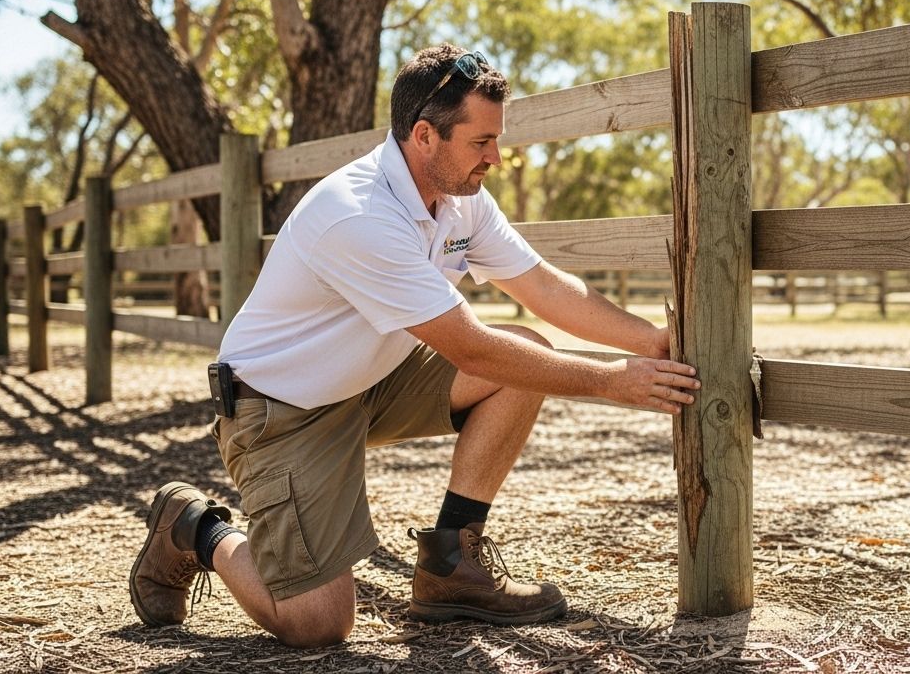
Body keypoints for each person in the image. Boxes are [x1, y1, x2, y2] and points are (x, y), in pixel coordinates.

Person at [127, 44, 700, 648]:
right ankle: (195, 529)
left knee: (524, 352)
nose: (496, 158)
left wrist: (659, 342)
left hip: (371, 382)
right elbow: (473, 351)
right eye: (481, 142)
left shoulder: (463, 200)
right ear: (424, 135)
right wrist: (612, 380)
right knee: (318, 626)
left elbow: (545, 288)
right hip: (279, 411)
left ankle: (451, 566)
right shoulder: (360, 216)